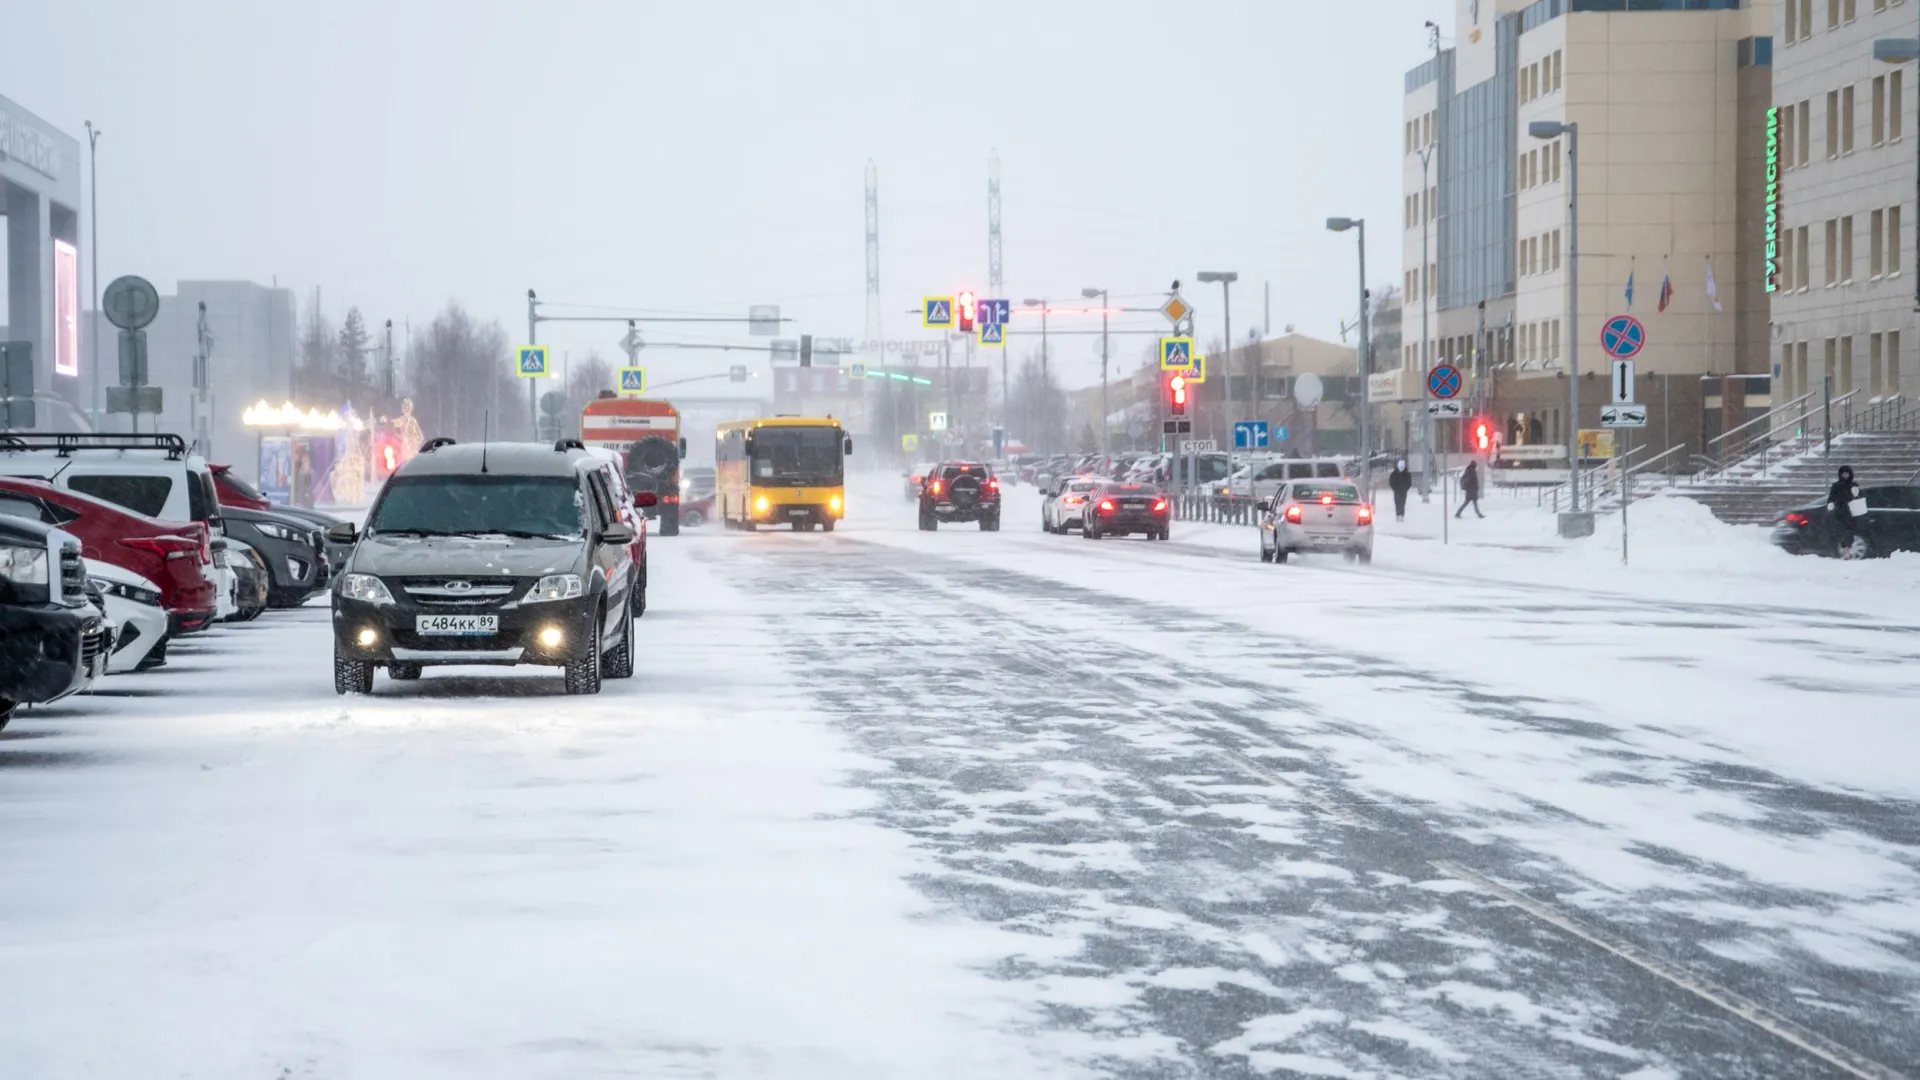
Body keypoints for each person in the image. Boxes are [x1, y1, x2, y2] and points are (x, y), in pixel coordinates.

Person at [1828, 465, 1862, 555]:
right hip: (1839, 511)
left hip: (1852, 512)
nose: (1845, 476)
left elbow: (1859, 497)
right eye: (1844, 474)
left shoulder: (1854, 485)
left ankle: (1847, 549)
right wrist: (1831, 504)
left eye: (1847, 474)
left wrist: (1856, 493)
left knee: (1850, 532)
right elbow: (1831, 497)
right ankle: (1843, 549)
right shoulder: (1836, 485)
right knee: (1841, 531)